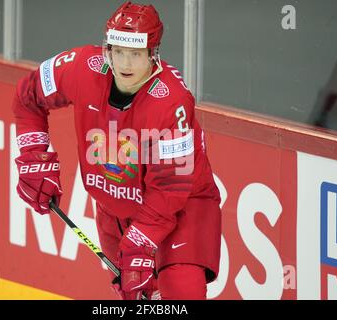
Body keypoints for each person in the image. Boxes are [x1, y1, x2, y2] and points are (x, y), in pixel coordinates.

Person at [13, 1, 222, 300]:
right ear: (106, 48)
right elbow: (27, 96)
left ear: (153, 54)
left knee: (181, 294)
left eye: (136, 54)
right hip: (115, 210)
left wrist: (140, 242)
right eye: (118, 50)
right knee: (136, 298)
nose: (125, 64)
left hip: (183, 210)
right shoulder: (82, 67)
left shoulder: (171, 101)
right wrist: (33, 156)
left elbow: (168, 191)